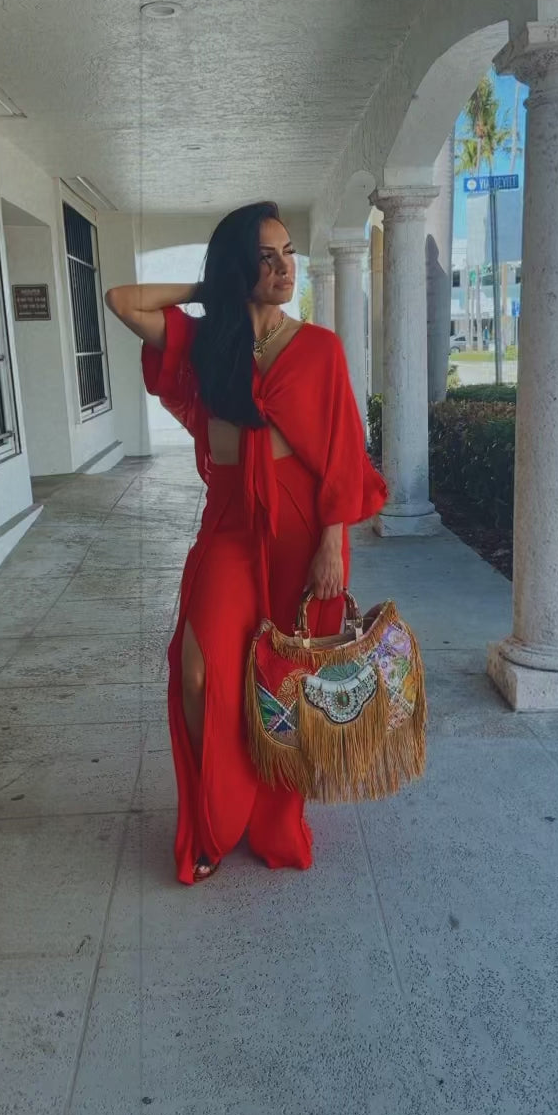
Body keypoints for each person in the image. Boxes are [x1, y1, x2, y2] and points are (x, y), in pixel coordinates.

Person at [105, 202, 387, 885]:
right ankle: (214, 818)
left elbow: (343, 453)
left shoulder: (319, 349)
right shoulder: (211, 343)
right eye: (266, 257)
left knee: (287, 680)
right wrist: (211, 290)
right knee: (198, 672)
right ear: (238, 268)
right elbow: (122, 300)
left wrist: (332, 541)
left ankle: (274, 820)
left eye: (288, 253)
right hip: (230, 524)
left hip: (303, 532)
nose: (285, 268)